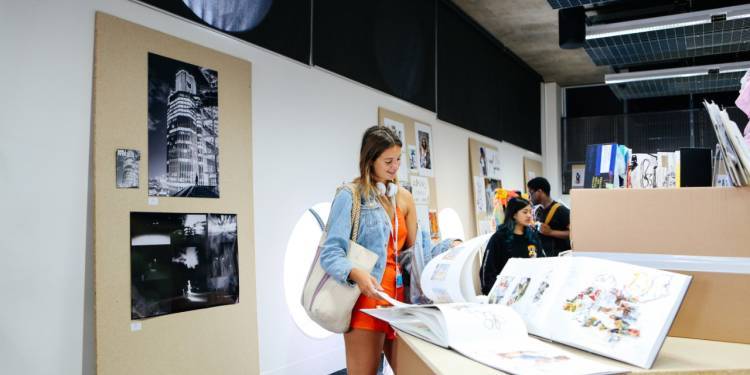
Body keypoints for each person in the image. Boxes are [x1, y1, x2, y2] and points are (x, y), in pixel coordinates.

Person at [319, 125, 418, 374]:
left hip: (400, 304)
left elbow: (412, 251)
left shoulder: (404, 198)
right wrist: (358, 273)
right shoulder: (350, 196)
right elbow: (330, 254)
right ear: (369, 160)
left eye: (398, 160)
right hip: (366, 305)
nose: (395, 167)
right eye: (388, 161)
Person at [479, 197, 544, 295]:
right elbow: (487, 270)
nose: (529, 216)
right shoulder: (499, 238)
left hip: (529, 293)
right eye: (525, 212)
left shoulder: (533, 236)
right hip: (505, 294)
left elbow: (543, 262)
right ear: (514, 214)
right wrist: (491, 294)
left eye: (530, 212)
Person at [527, 177, 571, 256]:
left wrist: (551, 232)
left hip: (559, 258)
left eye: (531, 193)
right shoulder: (538, 211)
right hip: (545, 255)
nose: (529, 197)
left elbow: (574, 233)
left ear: (539, 192)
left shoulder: (561, 210)